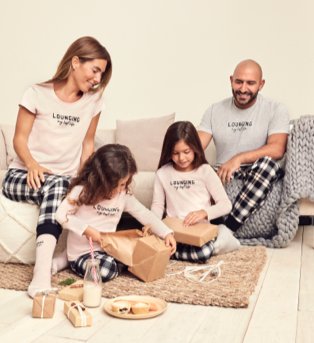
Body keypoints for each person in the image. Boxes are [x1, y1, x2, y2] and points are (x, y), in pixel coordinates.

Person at [2, 36, 112, 297]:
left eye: (102, 73)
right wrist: (32, 165)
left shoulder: (93, 102)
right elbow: (19, 139)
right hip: (22, 175)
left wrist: (84, 180)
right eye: (95, 70)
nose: (98, 79)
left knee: (59, 183)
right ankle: (42, 273)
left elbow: (87, 144)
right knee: (55, 182)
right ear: (75, 62)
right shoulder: (36, 93)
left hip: (61, 181)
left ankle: (49, 268)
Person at [55, 144, 176, 281]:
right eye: (116, 185)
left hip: (109, 249)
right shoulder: (82, 191)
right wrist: (87, 230)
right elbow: (61, 215)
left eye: (124, 184)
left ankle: (114, 263)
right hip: (82, 253)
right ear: (101, 181)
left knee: (141, 255)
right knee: (106, 270)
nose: (121, 189)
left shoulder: (123, 195)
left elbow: (144, 214)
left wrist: (166, 232)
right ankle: (69, 260)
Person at [198, 59, 290, 232]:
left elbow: (277, 149)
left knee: (268, 165)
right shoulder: (214, 110)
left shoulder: (276, 109)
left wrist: (238, 158)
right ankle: (215, 225)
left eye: (250, 83)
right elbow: (195, 148)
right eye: (239, 82)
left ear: (261, 84)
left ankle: (229, 228)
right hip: (223, 171)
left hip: (259, 171)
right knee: (198, 168)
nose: (243, 89)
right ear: (231, 80)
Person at [151, 121, 240, 262]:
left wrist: (203, 213)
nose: (181, 158)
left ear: (195, 148)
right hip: (172, 232)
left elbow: (225, 205)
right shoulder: (162, 173)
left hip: (199, 233)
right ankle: (174, 250)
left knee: (203, 253)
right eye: (175, 153)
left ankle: (172, 253)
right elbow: (157, 206)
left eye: (186, 152)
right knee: (151, 246)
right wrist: (153, 225)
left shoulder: (205, 171)